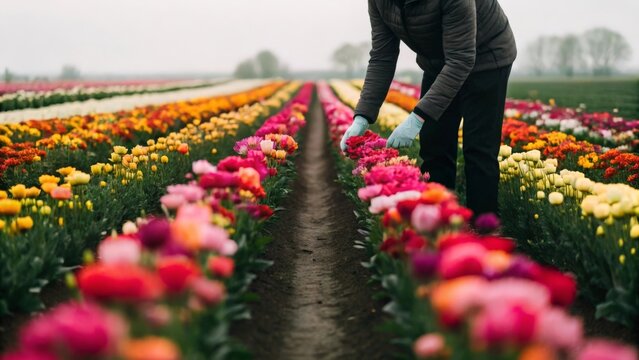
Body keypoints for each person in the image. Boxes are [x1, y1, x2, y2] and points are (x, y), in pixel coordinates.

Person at [340, 0, 517, 217]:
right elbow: (382, 56)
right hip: (439, 62)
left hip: (487, 58)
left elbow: (461, 59)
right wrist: (361, 116)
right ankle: (438, 223)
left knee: (478, 149)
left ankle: (483, 229)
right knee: (435, 145)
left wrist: (418, 117)